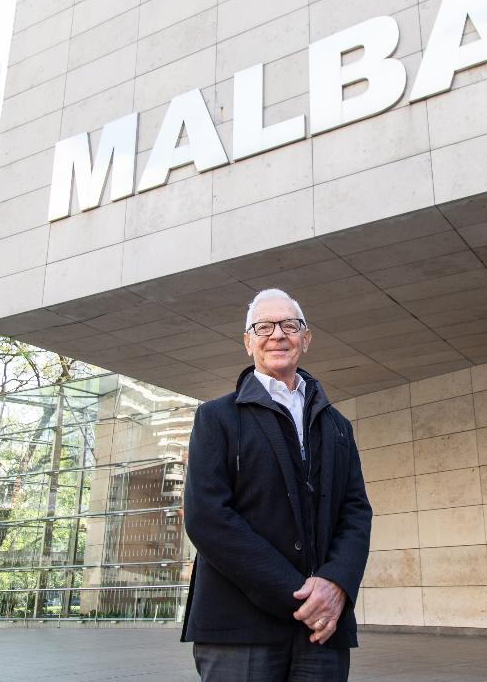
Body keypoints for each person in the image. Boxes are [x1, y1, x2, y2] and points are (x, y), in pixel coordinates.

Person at [182, 288, 372, 681]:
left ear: (306, 338)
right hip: (240, 628)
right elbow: (208, 517)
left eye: (290, 325)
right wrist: (300, 596)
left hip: (323, 632)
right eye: (264, 326)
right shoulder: (216, 417)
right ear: (247, 341)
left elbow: (355, 513)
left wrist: (336, 584)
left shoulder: (338, 426)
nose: (278, 335)